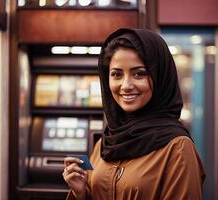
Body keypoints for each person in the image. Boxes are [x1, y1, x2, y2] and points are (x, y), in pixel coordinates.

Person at [62, 28, 205, 200]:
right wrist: (81, 193)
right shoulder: (106, 142)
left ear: (159, 77)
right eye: (116, 74)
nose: (126, 85)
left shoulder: (177, 148)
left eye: (139, 74)